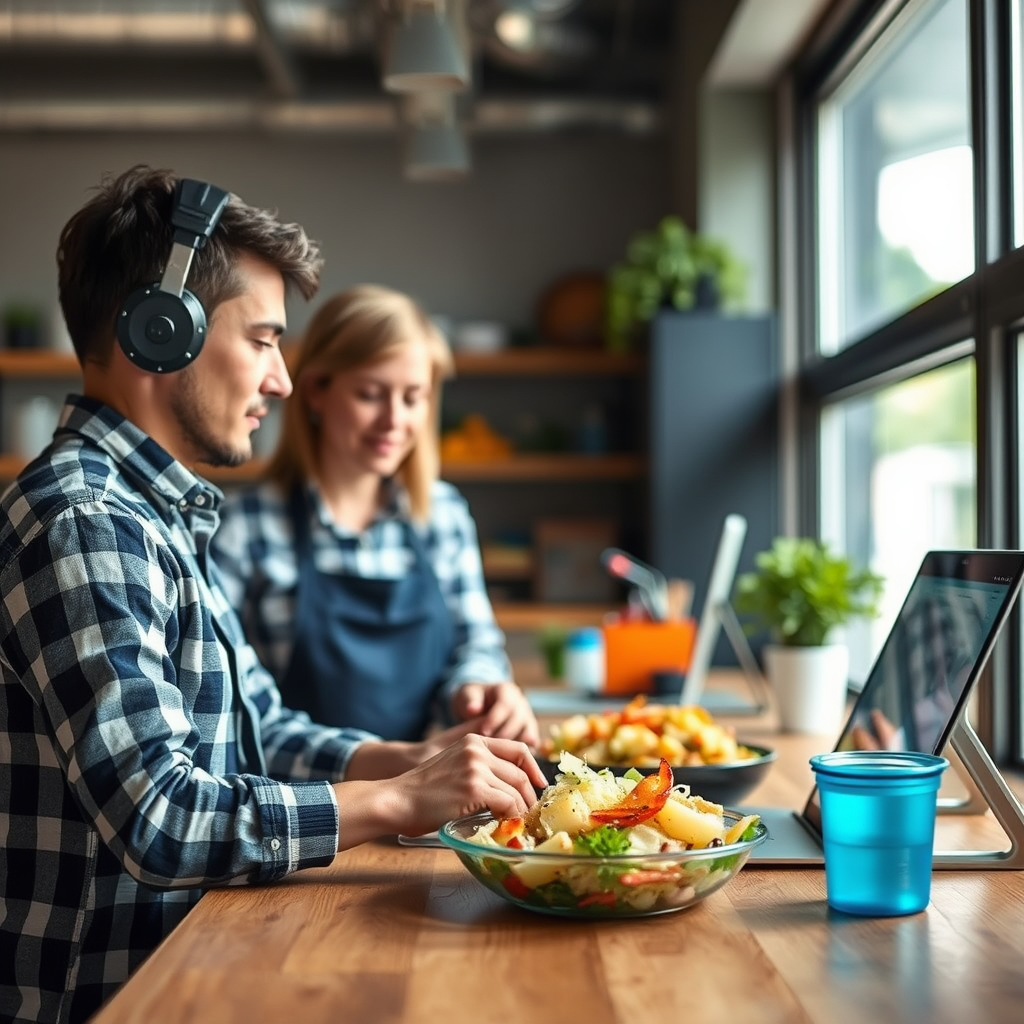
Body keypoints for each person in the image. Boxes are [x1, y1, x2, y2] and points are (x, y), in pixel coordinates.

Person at [0, 166, 546, 1024]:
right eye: (262, 340)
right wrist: (398, 802)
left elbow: (266, 727)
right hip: (106, 998)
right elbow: (162, 816)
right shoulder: (84, 521)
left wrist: (415, 763)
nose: (282, 380)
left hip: (195, 960)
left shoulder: (160, 516)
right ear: (160, 333)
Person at [210, 284, 539, 747]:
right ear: (315, 393)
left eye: (413, 397)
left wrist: (477, 689)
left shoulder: (441, 514)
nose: (394, 420)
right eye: (370, 394)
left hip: (425, 796)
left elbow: (475, 644)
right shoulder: (244, 528)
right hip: (296, 806)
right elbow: (228, 703)